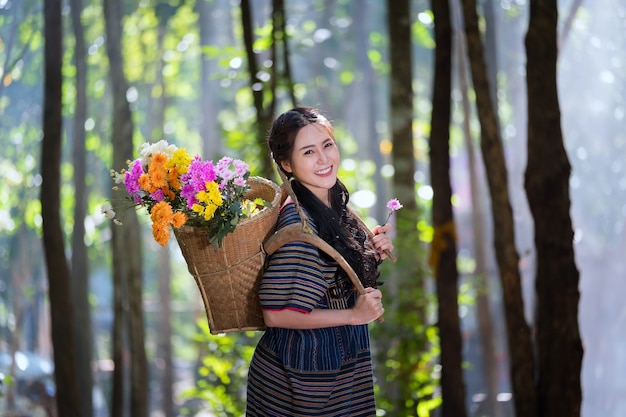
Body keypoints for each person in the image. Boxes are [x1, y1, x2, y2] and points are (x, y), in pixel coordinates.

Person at [246, 106, 394, 416]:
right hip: (303, 382)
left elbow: (329, 271)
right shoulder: (300, 227)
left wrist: (367, 249)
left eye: (327, 145)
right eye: (309, 152)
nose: (324, 159)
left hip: (330, 371)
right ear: (287, 164)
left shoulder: (328, 204)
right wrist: (354, 316)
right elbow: (276, 313)